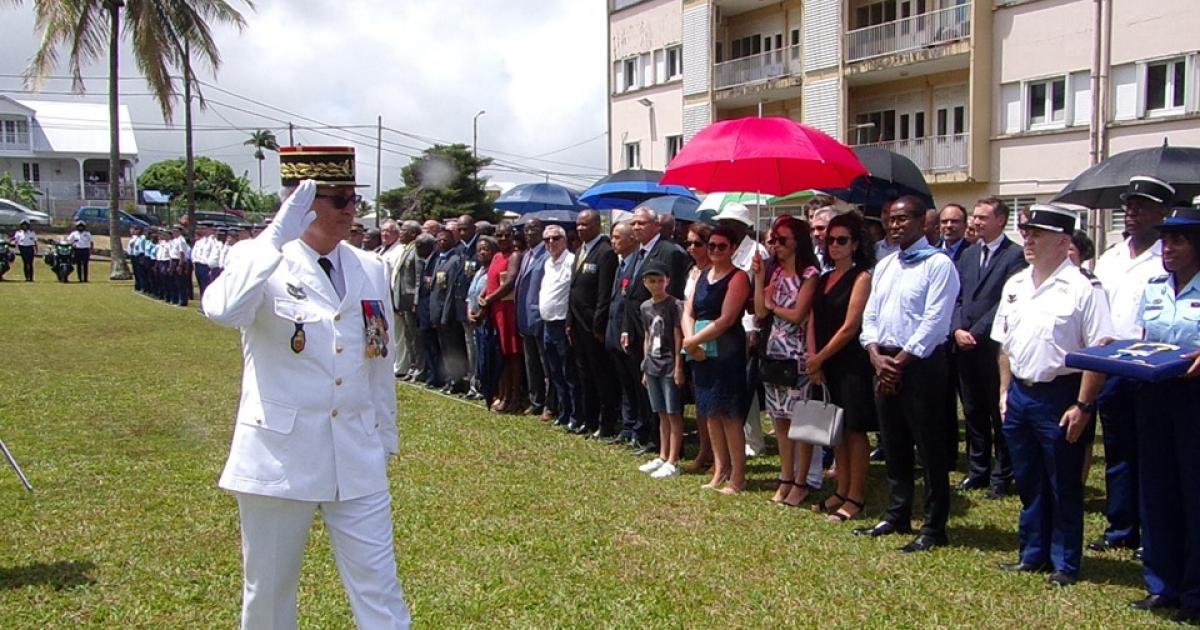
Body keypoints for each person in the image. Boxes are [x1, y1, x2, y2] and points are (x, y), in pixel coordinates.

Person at [200, 145, 410, 628]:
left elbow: (377, 357)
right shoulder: (257, 259)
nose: (352, 210)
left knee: (380, 587)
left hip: (356, 452)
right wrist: (274, 236)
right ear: (302, 203)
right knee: (269, 593)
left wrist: (383, 438)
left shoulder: (370, 267)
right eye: (339, 201)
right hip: (280, 455)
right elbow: (223, 311)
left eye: (354, 199)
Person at [992, 204, 1112, 587]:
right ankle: (1032, 554)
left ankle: (1065, 562)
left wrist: (1083, 405)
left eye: (1036, 234)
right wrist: (1004, 390)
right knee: (1029, 479)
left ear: (1063, 241)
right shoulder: (1016, 284)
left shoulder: (1084, 288)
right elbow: (1005, 346)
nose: (1027, 239)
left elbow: (1098, 351)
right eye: (1025, 232)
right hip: (1021, 394)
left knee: (1063, 481)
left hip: (1061, 394)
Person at [855, 195, 960, 554]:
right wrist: (874, 354)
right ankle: (897, 513)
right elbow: (870, 315)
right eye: (890, 220)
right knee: (894, 443)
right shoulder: (885, 266)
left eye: (903, 219)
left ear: (922, 222)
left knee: (929, 448)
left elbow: (935, 322)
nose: (895, 225)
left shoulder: (938, 265)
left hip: (919, 365)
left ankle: (934, 525)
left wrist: (899, 362)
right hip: (883, 362)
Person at [1089, 175, 1172, 557]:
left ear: (1163, 213)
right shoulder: (1111, 255)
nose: (1132, 212)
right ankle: (1122, 526)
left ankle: (1154, 528)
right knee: (1119, 450)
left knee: (1153, 454)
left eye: (1142, 206)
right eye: (1128, 205)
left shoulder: (1171, 256)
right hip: (1112, 366)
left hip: (1152, 369)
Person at [1129, 205, 1200, 621]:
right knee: (1155, 492)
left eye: (1178, 239)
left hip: (1194, 398)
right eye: (1165, 239)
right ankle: (1162, 585)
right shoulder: (1154, 287)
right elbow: (1144, 339)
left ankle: (1194, 591)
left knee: (1193, 493)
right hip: (1154, 395)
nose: (1167, 247)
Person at [953, 198, 1026, 499]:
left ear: (1000, 220)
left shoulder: (1015, 256)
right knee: (973, 411)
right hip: (963, 345)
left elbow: (1004, 303)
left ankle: (1002, 474)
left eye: (983, 217)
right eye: (975, 216)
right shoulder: (968, 255)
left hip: (993, 347)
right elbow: (957, 297)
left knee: (998, 413)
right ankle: (977, 470)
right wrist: (957, 328)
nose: (976, 222)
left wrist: (976, 332)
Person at [807, 212, 877, 521]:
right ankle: (840, 490)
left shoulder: (862, 277)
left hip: (851, 363)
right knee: (837, 430)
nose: (834, 245)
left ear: (856, 244)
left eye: (841, 240)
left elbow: (851, 326)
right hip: (824, 361)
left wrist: (820, 356)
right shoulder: (823, 278)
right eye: (829, 239)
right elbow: (812, 317)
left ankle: (856, 496)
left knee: (854, 430)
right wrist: (814, 359)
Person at [752, 215, 821, 507]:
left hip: (798, 356)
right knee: (779, 419)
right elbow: (759, 311)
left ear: (797, 242)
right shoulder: (774, 272)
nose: (776, 245)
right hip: (774, 352)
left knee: (800, 422)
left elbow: (799, 314)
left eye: (783, 240)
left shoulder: (809, 273)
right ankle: (786, 476)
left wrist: (772, 305)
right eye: (774, 240)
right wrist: (758, 279)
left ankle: (801, 480)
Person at [683, 226, 751, 494]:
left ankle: (738, 475)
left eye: (721, 246)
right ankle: (720, 469)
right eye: (710, 246)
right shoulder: (700, 274)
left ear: (733, 248)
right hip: (700, 351)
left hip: (727, 351)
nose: (714, 251)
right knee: (710, 411)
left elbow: (727, 319)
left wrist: (693, 341)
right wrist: (691, 341)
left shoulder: (738, 277)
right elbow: (688, 310)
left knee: (730, 415)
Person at [624, 207, 691, 452]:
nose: (636, 228)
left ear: (656, 225)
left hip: (665, 330)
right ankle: (651, 436)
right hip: (641, 328)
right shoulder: (636, 254)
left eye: (641, 223)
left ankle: (668, 445)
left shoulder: (670, 251)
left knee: (669, 398)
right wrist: (625, 328)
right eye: (633, 224)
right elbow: (629, 293)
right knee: (646, 389)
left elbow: (675, 293)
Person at [713, 203, 769, 458]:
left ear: (743, 226)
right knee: (731, 384)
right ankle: (739, 436)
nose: (725, 226)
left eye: (730, 222)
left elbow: (759, 291)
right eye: (723, 221)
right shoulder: (726, 248)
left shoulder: (757, 251)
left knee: (746, 385)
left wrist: (756, 328)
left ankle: (753, 440)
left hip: (748, 326)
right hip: (726, 325)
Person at [568, 210, 619, 438]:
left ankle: (605, 423)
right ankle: (588, 421)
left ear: (598, 225)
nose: (580, 228)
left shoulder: (605, 252)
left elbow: (603, 293)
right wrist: (569, 321)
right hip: (577, 324)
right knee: (584, 374)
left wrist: (599, 326)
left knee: (601, 376)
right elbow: (573, 289)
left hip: (593, 326)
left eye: (585, 224)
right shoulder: (580, 250)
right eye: (578, 225)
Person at [636, 261, 686, 479]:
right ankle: (663, 454)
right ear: (645, 283)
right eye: (651, 281)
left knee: (673, 412)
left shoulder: (674, 305)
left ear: (668, 281)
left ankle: (673, 459)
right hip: (653, 364)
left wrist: (678, 366)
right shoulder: (645, 307)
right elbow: (647, 336)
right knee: (661, 413)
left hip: (668, 364)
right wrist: (645, 366)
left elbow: (678, 335)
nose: (656, 285)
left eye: (660, 281)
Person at [605, 220, 647, 447]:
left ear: (632, 240)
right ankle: (628, 425)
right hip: (614, 332)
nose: (613, 241)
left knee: (635, 384)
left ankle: (639, 428)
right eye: (612, 237)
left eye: (618, 237)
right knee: (623, 384)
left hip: (629, 333)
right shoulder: (619, 264)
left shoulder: (636, 264)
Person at [539, 224, 581, 429]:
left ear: (564, 240)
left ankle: (575, 415)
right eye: (546, 240)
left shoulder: (571, 262)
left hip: (562, 323)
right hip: (547, 323)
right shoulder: (547, 263)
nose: (551, 243)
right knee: (554, 372)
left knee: (569, 372)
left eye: (555, 238)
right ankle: (563, 412)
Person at [680, 223, 714, 473]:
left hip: (709, 339)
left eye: (698, 244)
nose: (692, 248)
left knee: (711, 402)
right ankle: (705, 449)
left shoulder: (713, 272)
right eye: (689, 243)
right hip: (689, 337)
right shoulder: (692, 271)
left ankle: (713, 452)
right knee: (699, 400)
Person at [515, 218, 554, 421]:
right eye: (526, 229)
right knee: (531, 364)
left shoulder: (547, 254)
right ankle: (535, 400)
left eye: (534, 229)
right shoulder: (525, 255)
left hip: (540, 315)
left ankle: (550, 404)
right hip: (524, 316)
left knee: (545, 364)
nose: (529, 233)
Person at [430, 226, 468, 393]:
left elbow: (451, 291)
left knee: (452, 349)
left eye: (445, 239)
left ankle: (456, 381)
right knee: (443, 349)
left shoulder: (454, 261)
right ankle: (448, 379)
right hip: (436, 312)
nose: (442, 242)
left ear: (453, 240)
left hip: (448, 314)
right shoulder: (440, 259)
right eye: (439, 240)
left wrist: (445, 316)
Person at [468, 235, 501, 406]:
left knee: (487, 358)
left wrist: (481, 313)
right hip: (474, 320)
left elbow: (489, 295)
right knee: (476, 357)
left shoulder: (492, 272)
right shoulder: (479, 271)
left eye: (486, 249)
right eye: (479, 249)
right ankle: (480, 387)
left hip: (486, 319)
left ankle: (491, 391)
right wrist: (469, 312)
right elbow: (470, 294)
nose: (482, 252)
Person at [391, 221, 421, 379]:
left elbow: (417, 277)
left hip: (410, 300)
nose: (400, 233)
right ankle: (412, 366)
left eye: (404, 230)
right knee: (408, 336)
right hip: (401, 299)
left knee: (414, 336)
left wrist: (415, 300)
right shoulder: (405, 248)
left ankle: (417, 367)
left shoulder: (416, 249)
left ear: (414, 234)